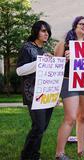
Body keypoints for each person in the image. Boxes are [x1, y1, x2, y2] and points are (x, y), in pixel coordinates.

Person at [54, 16, 84, 159]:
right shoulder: (64, 43)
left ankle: (81, 151)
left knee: (83, 117)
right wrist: (65, 59)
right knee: (70, 118)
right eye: (82, 24)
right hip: (69, 81)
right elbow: (55, 65)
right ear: (75, 26)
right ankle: (59, 153)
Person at [16, 20, 53, 160]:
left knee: (41, 127)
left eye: (47, 31)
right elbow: (20, 71)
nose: (46, 33)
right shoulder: (27, 47)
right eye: (43, 30)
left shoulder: (43, 50)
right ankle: (27, 156)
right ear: (35, 31)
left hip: (46, 94)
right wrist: (40, 62)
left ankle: (34, 155)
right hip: (32, 93)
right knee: (38, 126)